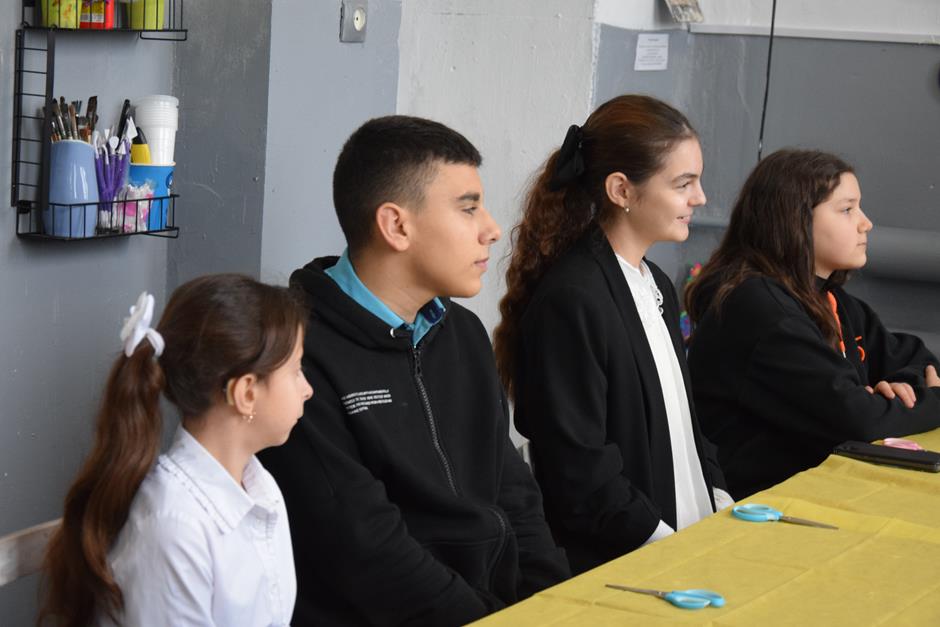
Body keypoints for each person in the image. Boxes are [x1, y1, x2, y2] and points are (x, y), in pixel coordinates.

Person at [258, 115, 570, 625]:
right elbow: (367, 551)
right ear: (396, 226)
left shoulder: (463, 333)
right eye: (468, 208)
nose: (492, 229)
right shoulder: (297, 355)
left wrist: (553, 605)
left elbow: (515, 496)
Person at [493, 95, 730, 575]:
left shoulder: (655, 282)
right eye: (683, 183)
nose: (700, 198)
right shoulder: (573, 298)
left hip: (686, 536)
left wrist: (717, 499)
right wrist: (662, 542)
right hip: (625, 557)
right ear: (622, 189)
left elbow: (682, 420)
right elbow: (578, 465)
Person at [39, 275, 313, 627]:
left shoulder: (262, 490)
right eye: (296, 370)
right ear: (246, 393)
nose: (307, 389)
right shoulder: (174, 526)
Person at [685, 149, 940, 499]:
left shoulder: (832, 300)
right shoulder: (757, 306)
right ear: (795, 219)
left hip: (811, 491)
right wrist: (932, 399)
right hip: (752, 505)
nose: (865, 223)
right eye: (847, 209)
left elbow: (917, 359)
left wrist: (901, 389)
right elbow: (858, 420)